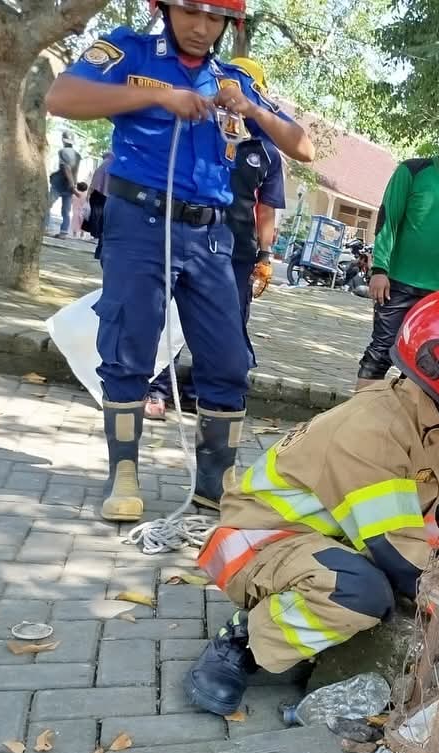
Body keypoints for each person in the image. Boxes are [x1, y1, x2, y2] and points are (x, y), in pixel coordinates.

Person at [183, 290, 439, 714]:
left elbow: (424, 520)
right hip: (258, 544)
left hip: (316, 540)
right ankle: (244, 639)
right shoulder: (375, 431)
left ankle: (303, 614)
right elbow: (403, 560)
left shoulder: (425, 425)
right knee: (361, 592)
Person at [46, 0, 315, 521]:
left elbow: (302, 147)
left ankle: (214, 483)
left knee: (229, 359)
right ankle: (124, 472)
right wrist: (158, 96)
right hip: (139, 222)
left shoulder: (233, 78)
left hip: (211, 234)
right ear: (166, 10)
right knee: (129, 348)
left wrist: (252, 110)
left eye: (215, 18)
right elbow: (61, 97)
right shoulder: (130, 51)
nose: (201, 27)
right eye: (191, 12)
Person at [145, 55, 288, 422]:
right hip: (190, 237)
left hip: (238, 252)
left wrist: (265, 256)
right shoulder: (202, 131)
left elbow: (266, 211)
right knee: (170, 317)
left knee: (225, 327)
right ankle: (158, 389)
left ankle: (200, 393)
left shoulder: (268, 153)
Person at [356, 115, 439, 390]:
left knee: (427, 366)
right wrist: (379, 270)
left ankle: (403, 417)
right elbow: (388, 221)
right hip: (397, 284)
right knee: (381, 352)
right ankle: (357, 412)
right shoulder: (412, 172)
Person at [47, 131, 82, 238]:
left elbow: (66, 168)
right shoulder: (77, 155)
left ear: (63, 140)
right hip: (69, 187)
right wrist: (73, 185)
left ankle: (46, 227)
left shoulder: (62, 152)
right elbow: (75, 172)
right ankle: (64, 231)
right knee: (66, 211)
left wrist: (72, 185)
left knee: (47, 204)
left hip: (59, 183)